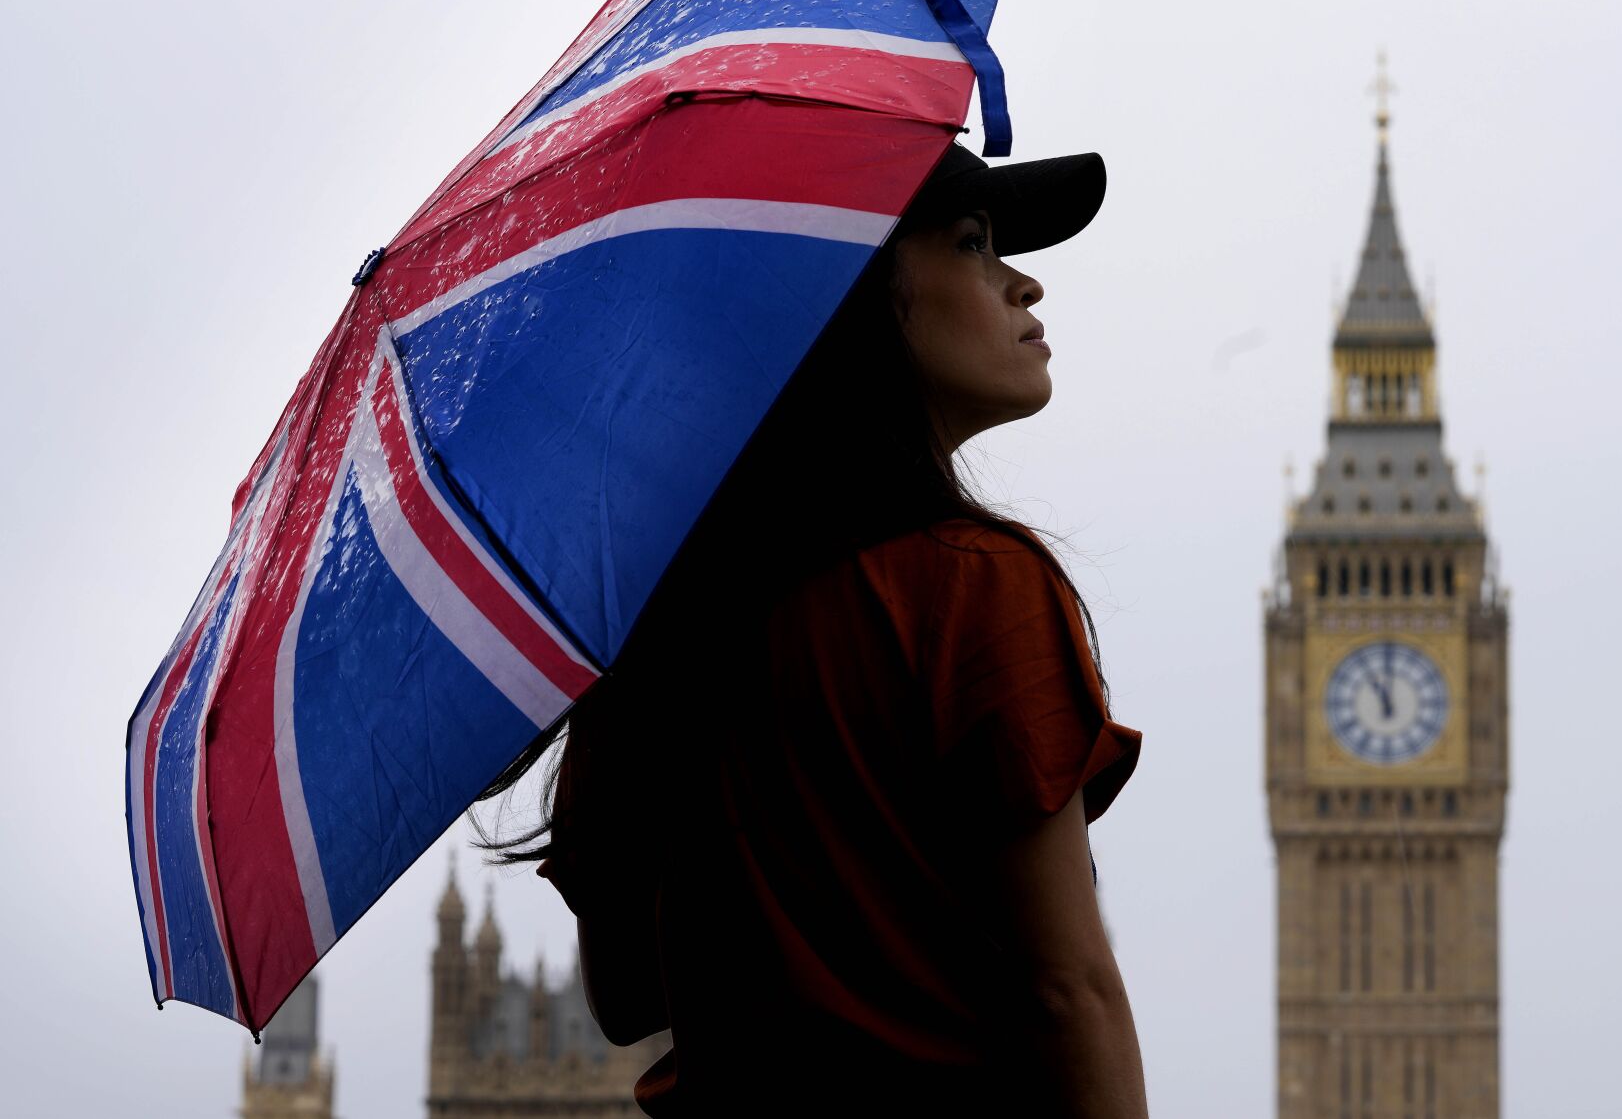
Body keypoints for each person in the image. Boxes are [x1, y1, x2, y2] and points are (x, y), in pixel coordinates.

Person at [477, 142, 1146, 1117]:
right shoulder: (971, 587)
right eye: (971, 242)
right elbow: (1068, 989)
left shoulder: (647, 636)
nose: (1021, 282)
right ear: (857, 297)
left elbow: (625, 994)